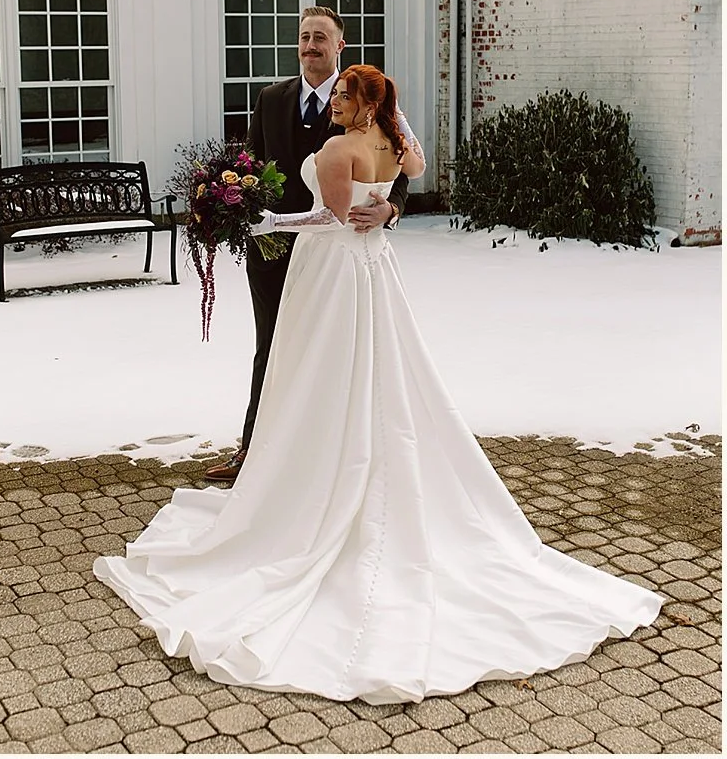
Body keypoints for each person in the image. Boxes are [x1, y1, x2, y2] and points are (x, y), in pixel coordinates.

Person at [94, 64, 661, 704]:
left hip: (332, 273)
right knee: (378, 368)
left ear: (363, 102)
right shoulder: (397, 141)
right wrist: (388, 206)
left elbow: (330, 220)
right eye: (334, 92)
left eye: (342, 94)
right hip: (376, 269)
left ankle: (322, 484)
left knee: (322, 373)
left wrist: (264, 224)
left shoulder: (338, 148)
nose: (332, 99)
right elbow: (408, 180)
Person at [203, 6, 406, 482]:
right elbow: (249, 165)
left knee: (337, 353)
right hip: (274, 252)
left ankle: (333, 461)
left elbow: (398, 160)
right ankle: (254, 452)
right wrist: (227, 203)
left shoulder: (364, 98)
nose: (310, 45)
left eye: (321, 37)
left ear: (340, 46)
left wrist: (390, 208)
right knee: (272, 347)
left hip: (337, 254)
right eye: (304, 36)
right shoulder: (271, 98)